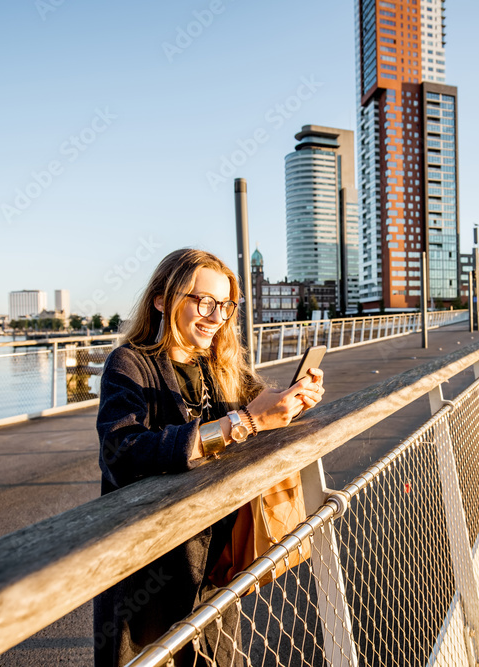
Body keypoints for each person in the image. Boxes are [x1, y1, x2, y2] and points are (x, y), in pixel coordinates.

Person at [93, 248, 324, 667]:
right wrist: (244, 423)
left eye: (224, 305)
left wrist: (292, 404)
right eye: (203, 301)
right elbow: (123, 452)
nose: (216, 316)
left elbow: (261, 415)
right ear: (162, 299)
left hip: (213, 568)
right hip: (149, 572)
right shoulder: (129, 364)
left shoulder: (222, 369)